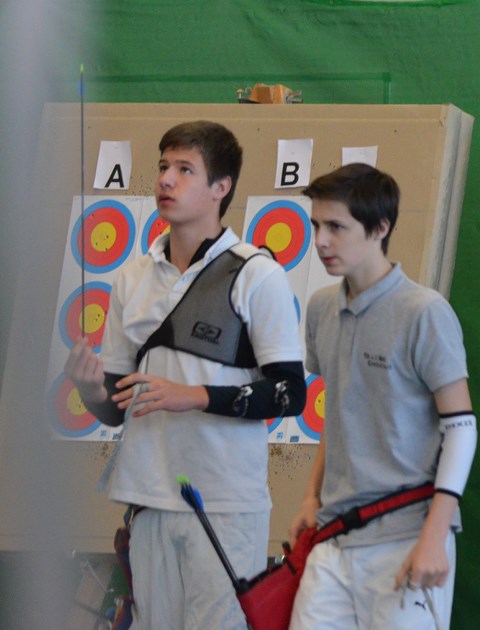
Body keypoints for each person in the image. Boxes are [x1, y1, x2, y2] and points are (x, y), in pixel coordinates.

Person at [64, 120, 306, 629]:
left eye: (184, 169)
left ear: (221, 187)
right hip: (147, 496)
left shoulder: (256, 272)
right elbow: (117, 404)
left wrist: (194, 395)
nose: (166, 180)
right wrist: (90, 390)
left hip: (225, 501)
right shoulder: (132, 275)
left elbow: (289, 393)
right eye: (162, 167)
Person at [288, 163, 476, 629]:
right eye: (316, 225)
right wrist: (310, 497)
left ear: (380, 228)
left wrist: (434, 536)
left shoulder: (425, 312)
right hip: (332, 538)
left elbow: (461, 429)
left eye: (336, 227)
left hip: (406, 535)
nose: (321, 241)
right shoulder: (320, 308)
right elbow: (340, 413)